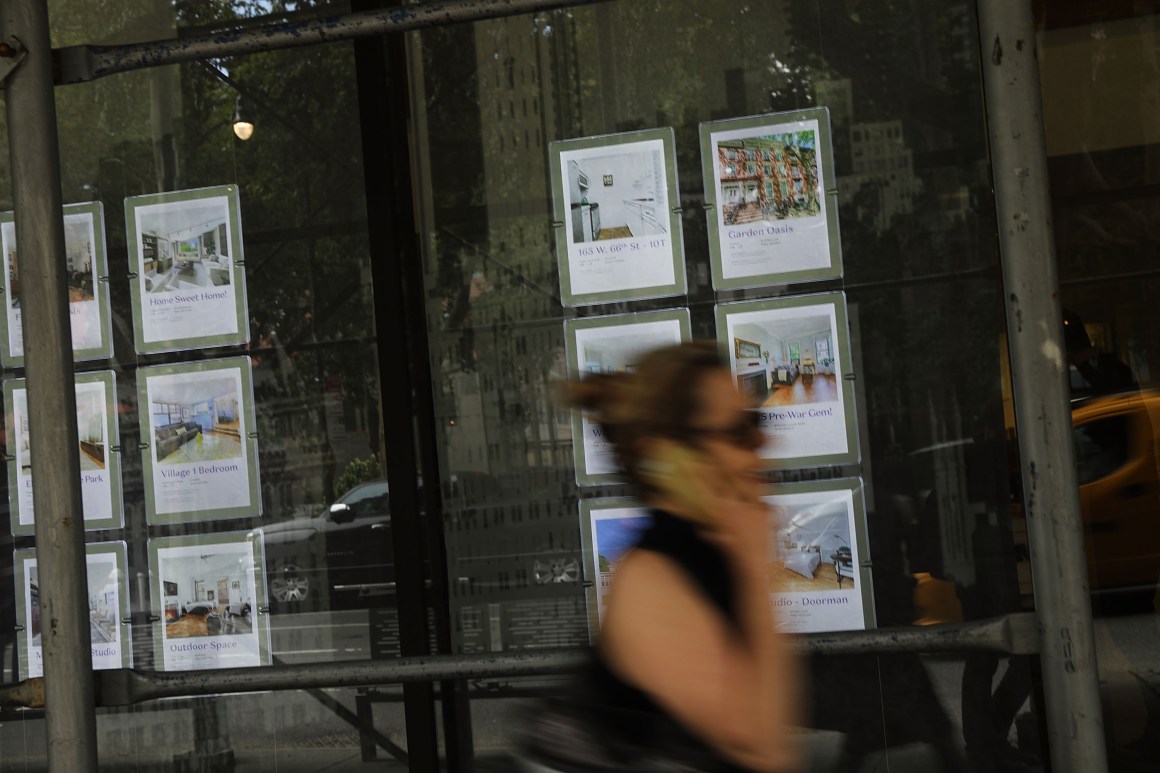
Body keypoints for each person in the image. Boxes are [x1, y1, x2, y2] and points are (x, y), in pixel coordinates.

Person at [516, 341, 801, 773]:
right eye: (740, 431)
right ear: (669, 456)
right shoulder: (650, 578)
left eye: (758, 420)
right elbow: (761, 746)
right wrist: (755, 565)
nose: (763, 442)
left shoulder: (708, 554)